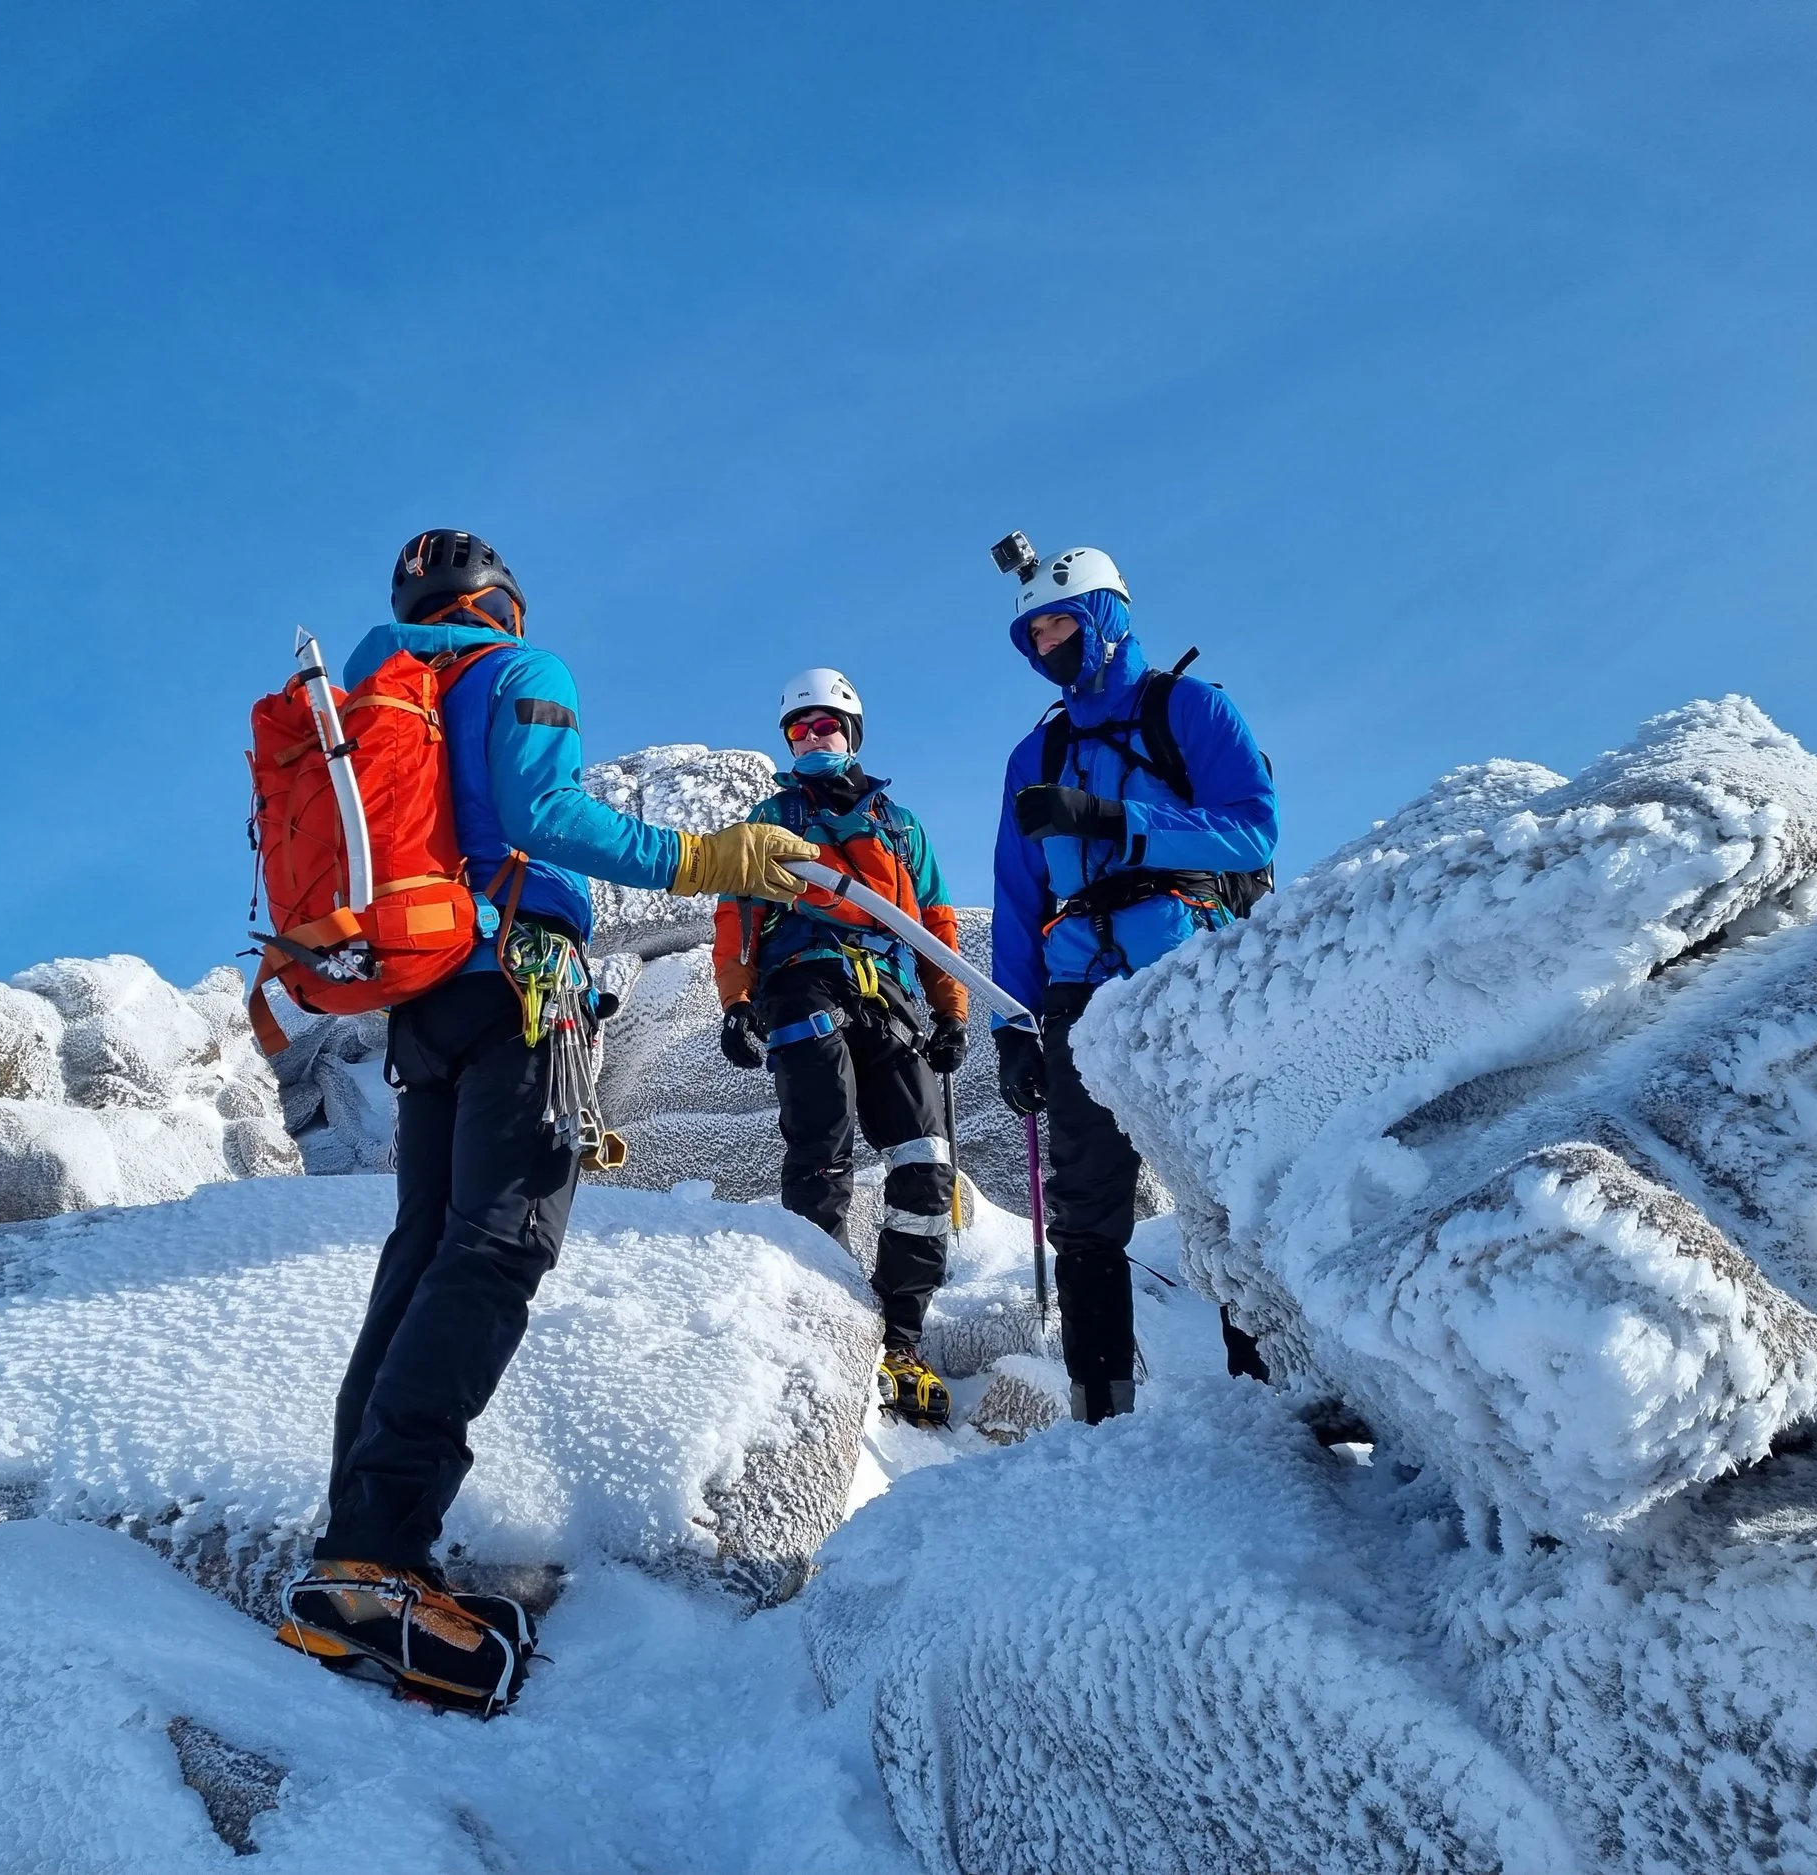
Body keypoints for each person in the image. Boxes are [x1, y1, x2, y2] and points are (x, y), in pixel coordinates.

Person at [278, 530, 817, 1712]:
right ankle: (375, 1561)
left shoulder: (382, 692)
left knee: (422, 1254)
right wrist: (709, 855)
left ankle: (357, 1548)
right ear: (501, 606)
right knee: (497, 1248)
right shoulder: (516, 671)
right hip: (520, 979)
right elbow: (544, 812)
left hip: (425, 1002)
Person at [988, 546, 1276, 1425]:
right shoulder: (1033, 753)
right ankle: (1101, 1414)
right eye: (1035, 632)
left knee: (1231, 1188)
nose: (1047, 643)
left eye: (1061, 622)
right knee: (1084, 1207)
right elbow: (1015, 894)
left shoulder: (1191, 709)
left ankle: (1271, 1399)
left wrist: (1116, 819)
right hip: (1078, 993)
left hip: (1188, 977)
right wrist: (1012, 1025)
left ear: (1105, 617)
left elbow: (1253, 834)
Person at [712, 670, 969, 1428]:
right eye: (798, 730)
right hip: (801, 982)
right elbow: (737, 916)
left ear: (851, 733)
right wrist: (736, 1004)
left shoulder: (900, 826)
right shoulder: (769, 820)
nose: (811, 738)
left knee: (926, 1160)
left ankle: (899, 1340)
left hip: (888, 994)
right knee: (822, 1145)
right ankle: (822, 1320)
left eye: (825, 726)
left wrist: (950, 1008)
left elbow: (937, 921)